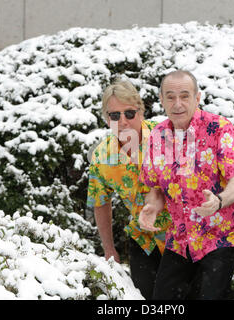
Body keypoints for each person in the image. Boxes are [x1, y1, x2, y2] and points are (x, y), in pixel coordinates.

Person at [139, 70, 234, 300]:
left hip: (222, 233)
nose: (177, 103)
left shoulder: (220, 128)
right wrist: (152, 206)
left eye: (184, 96)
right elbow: (155, 188)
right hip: (181, 236)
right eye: (170, 97)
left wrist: (219, 200)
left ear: (197, 98)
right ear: (161, 100)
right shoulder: (157, 136)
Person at [86, 79, 171, 299]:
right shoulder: (101, 156)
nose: (123, 121)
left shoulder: (166, 137)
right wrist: (109, 249)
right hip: (142, 239)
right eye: (115, 115)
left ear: (141, 111)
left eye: (129, 113)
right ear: (106, 119)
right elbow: (100, 202)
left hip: (180, 236)